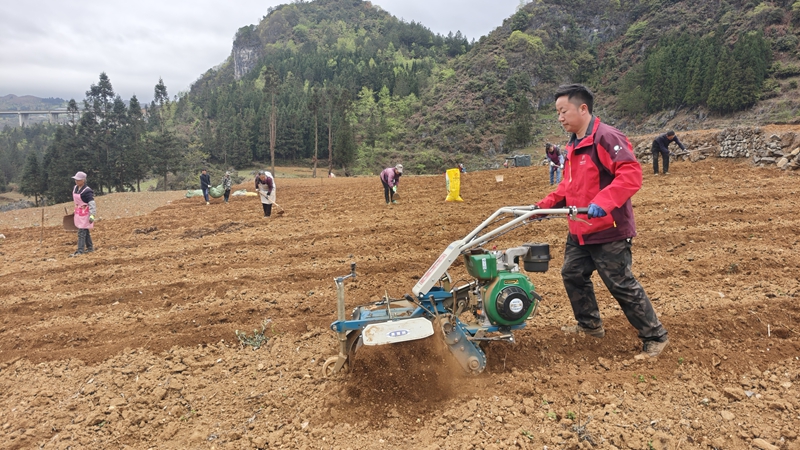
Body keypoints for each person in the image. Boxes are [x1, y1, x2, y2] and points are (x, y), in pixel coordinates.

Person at [534, 84, 669, 358]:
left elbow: (630, 174)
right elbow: (567, 187)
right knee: (572, 274)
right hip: (580, 230)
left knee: (620, 283)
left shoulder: (606, 137)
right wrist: (541, 208)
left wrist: (603, 202)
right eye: (557, 112)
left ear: (583, 108)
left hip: (609, 230)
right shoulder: (573, 145)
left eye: (563, 111)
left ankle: (655, 336)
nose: (560, 118)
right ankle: (590, 326)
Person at [70, 171, 96, 257]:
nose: (76, 181)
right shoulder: (75, 188)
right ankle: (90, 248)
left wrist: (92, 215)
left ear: (83, 180)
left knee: (81, 232)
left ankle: (80, 251)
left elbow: (92, 203)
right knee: (85, 230)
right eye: (76, 180)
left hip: (85, 214)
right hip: (79, 212)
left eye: (78, 180)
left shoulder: (87, 191)